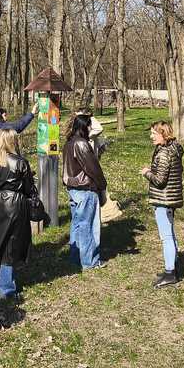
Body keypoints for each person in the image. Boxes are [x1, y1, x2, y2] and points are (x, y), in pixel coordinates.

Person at [0, 128, 36, 299]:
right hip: (14, 204)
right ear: (13, 141)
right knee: (10, 245)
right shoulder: (20, 162)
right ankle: (6, 289)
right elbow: (29, 188)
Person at [140, 120, 184, 288]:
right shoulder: (173, 149)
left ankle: (170, 273)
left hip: (164, 200)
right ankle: (173, 265)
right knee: (170, 234)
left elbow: (159, 180)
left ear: (163, 134)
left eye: (154, 133)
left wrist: (147, 173)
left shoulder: (164, 153)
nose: (151, 136)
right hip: (170, 198)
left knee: (166, 237)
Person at [62, 114, 108, 270]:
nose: (90, 128)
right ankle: (90, 261)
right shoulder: (81, 144)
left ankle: (76, 257)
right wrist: (102, 185)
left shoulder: (69, 143)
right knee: (88, 225)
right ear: (84, 126)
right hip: (85, 189)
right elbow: (93, 168)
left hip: (73, 188)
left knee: (77, 224)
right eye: (89, 125)